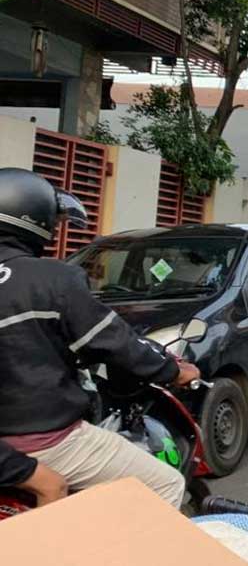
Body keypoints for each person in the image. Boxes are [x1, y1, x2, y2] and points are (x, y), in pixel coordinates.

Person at [0, 168, 201, 508]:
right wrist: (174, 371)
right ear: (33, 220)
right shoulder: (50, 279)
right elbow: (114, 340)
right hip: (42, 442)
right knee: (166, 485)